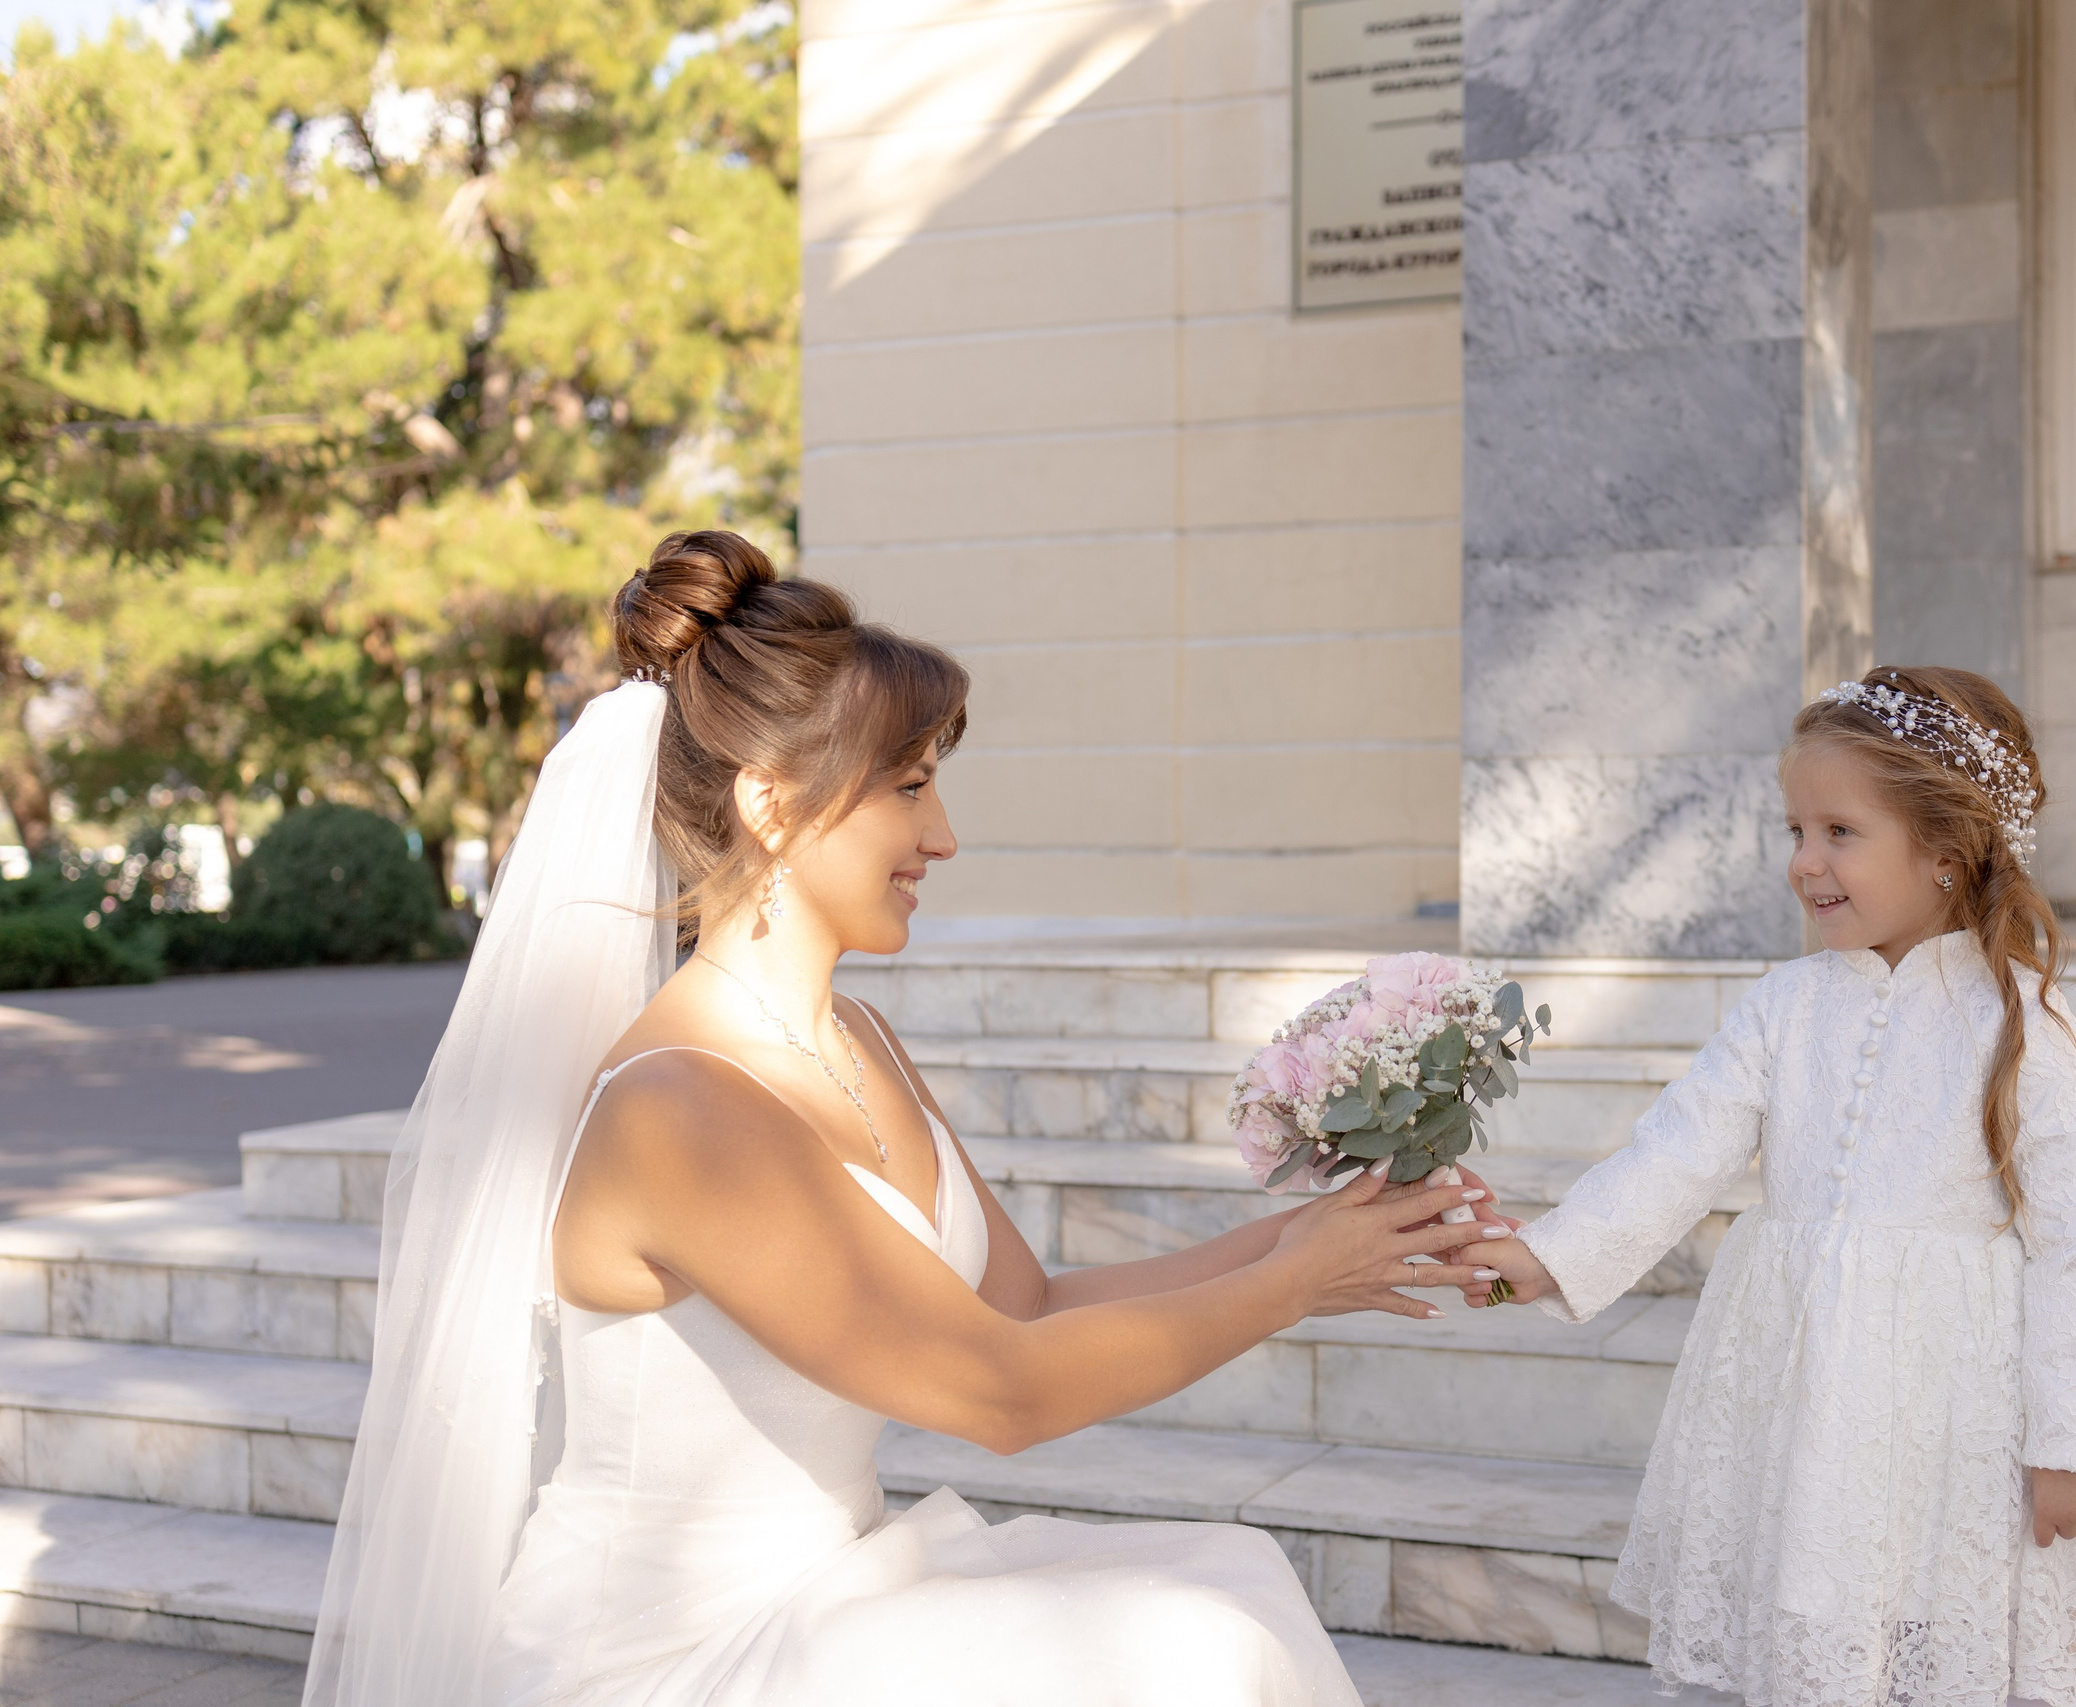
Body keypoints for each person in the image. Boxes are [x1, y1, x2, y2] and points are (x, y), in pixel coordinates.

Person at [303, 530, 1509, 1707]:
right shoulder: (676, 1108)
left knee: (1222, 1588)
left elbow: (1026, 1308)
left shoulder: (860, 1039)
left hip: (836, 1593)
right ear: (771, 804)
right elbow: (1005, 1393)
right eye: (910, 788)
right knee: (1181, 1646)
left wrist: (1335, 1235)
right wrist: (1291, 1283)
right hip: (666, 1658)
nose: (943, 836)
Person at [1459, 667, 2076, 1707]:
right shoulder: (1783, 1007)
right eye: (1794, 831)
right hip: (1807, 1380)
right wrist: (1543, 1258)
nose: (1802, 862)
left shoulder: (2024, 1026)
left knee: (1939, 1618)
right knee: (1818, 1600)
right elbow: (1675, 1152)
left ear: (1946, 852)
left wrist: (2071, 1441)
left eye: (1838, 833)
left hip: (1958, 1404)